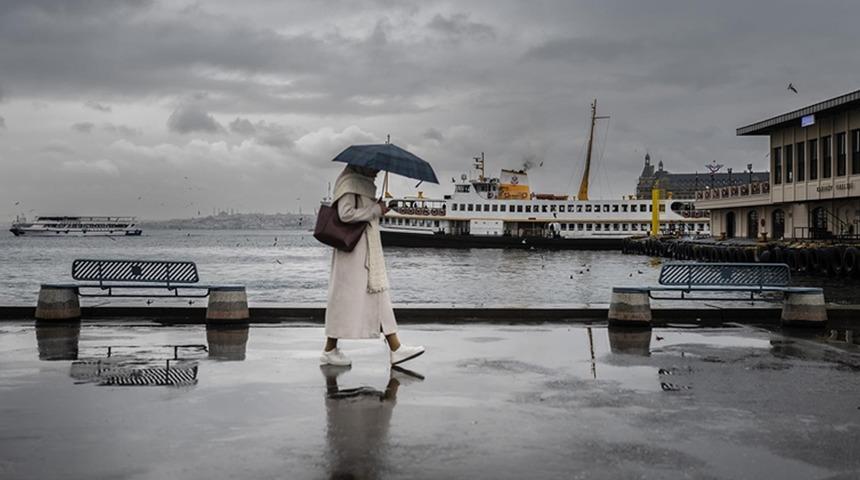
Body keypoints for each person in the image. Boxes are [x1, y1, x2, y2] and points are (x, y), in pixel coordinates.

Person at [321, 165, 425, 366]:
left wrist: (376, 207)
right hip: (355, 252)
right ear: (362, 166)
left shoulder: (362, 184)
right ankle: (331, 349)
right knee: (349, 298)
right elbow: (345, 214)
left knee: (374, 294)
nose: (377, 171)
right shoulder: (350, 184)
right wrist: (375, 209)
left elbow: (360, 212)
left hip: (364, 250)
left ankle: (394, 348)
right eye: (375, 167)